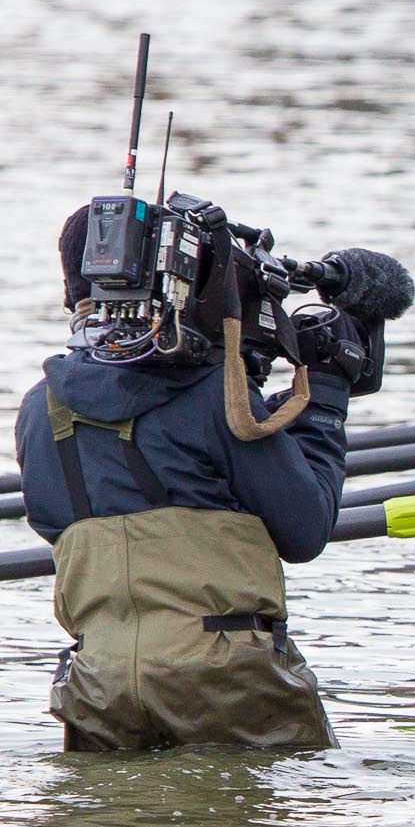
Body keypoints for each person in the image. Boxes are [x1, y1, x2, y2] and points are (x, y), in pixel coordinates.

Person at [15, 206, 361, 750]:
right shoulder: (215, 400)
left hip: (99, 680)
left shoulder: (41, 408)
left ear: (70, 293)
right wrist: (325, 396)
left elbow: (55, 522)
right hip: (225, 682)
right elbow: (306, 529)